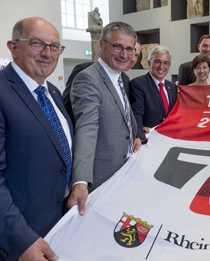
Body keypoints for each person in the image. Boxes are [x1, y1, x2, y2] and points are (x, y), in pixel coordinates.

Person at [0, 17, 72, 261]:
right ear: (13, 47)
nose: (48, 53)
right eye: (37, 44)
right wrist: (20, 239)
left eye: (54, 47)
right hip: (21, 239)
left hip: (59, 223)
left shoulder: (52, 92)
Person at [67, 22, 141, 215]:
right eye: (117, 46)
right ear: (102, 45)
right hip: (100, 180)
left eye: (129, 49)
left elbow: (123, 116)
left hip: (122, 173)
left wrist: (134, 136)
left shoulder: (120, 77)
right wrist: (81, 181)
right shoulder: (88, 79)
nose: (124, 55)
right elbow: (87, 128)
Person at [62, 42, 141, 123]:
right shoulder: (84, 70)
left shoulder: (125, 79)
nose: (132, 59)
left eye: (136, 55)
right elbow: (67, 106)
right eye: (129, 52)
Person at [129, 45, 177, 142]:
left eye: (166, 63)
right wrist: (140, 136)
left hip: (169, 138)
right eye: (157, 62)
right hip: (149, 140)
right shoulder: (138, 84)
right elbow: (137, 114)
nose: (161, 67)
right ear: (149, 62)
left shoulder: (172, 87)